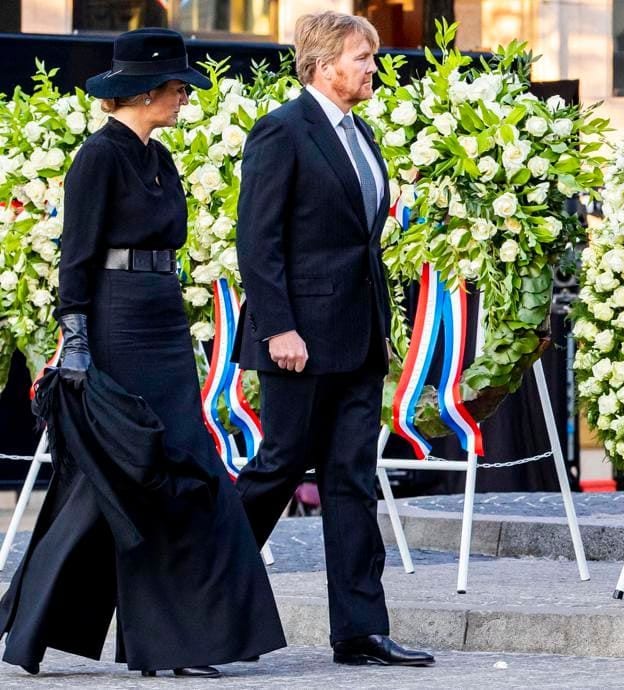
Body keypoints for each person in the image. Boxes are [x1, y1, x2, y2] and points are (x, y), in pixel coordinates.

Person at [0, 28, 286, 678]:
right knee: (122, 475)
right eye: (180, 87)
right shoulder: (98, 159)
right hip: (116, 325)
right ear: (148, 90)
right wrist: (75, 343)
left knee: (184, 473)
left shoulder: (157, 157)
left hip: (161, 322)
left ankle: (181, 642)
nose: (186, 98)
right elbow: (76, 259)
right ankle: (39, 625)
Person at [233, 12, 434, 668]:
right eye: (361, 58)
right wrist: (280, 327)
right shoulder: (282, 131)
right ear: (323, 67)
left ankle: (360, 630)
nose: (372, 68)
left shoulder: (361, 133)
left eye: (372, 58)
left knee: (352, 477)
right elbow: (257, 243)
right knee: (278, 468)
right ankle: (200, 595)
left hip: (357, 335)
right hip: (300, 339)